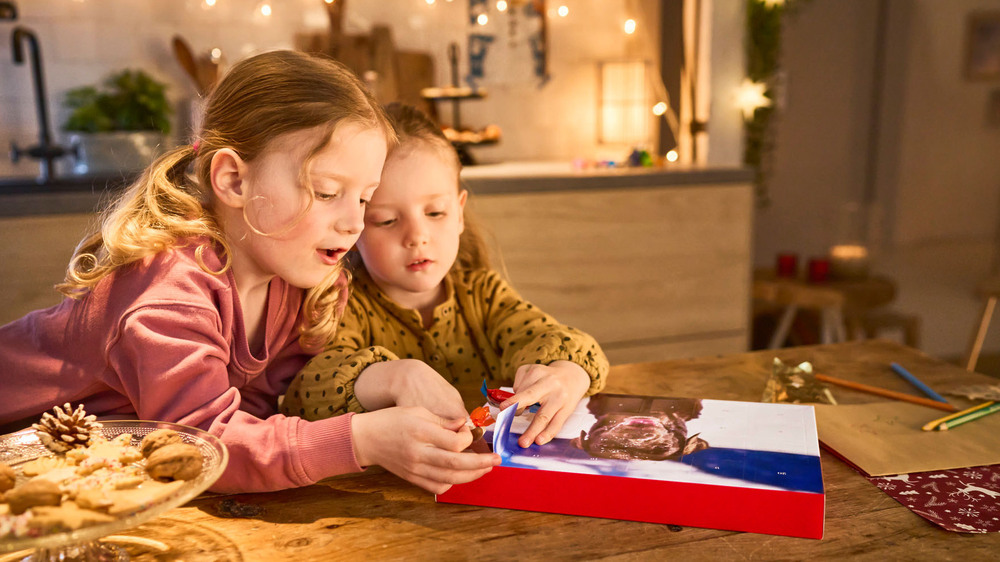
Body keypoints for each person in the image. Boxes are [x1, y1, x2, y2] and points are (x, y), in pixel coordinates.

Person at [0, 51, 499, 495]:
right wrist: (363, 440)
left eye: (365, 198)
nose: (354, 221)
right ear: (233, 180)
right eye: (326, 191)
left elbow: (260, 414)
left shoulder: (301, 283)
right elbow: (204, 448)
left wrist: (394, 383)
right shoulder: (170, 292)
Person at [281, 103, 609, 448]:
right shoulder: (342, 304)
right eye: (387, 220)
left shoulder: (484, 295)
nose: (416, 236)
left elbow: (560, 340)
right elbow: (306, 394)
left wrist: (564, 373)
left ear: (459, 213)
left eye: (436, 212)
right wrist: (394, 377)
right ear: (355, 225)